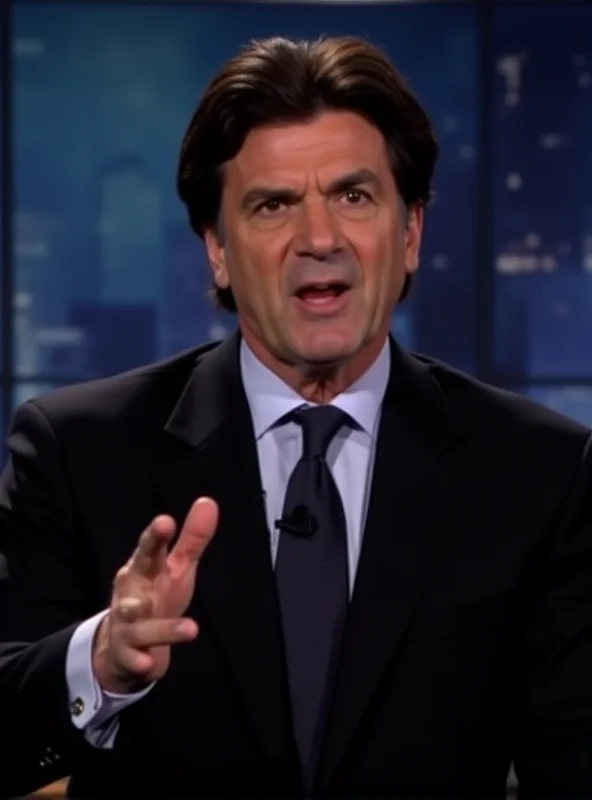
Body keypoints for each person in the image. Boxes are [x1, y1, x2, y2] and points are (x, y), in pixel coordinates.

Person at [0, 34, 591, 800]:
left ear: (409, 232)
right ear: (217, 249)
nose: (319, 240)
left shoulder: (539, 471)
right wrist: (102, 664)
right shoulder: (78, 450)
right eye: (273, 204)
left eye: (354, 195)